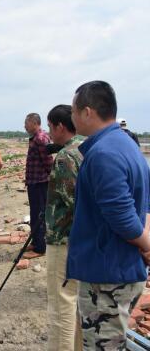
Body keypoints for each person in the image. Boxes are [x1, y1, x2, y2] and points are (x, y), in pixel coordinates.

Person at [68, 81, 150, 349]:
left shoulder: (104, 153)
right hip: (120, 267)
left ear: (87, 112)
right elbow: (144, 203)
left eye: (73, 110)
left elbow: (121, 213)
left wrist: (147, 244)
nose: (71, 116)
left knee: (104, 345)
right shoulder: (125, 144)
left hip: (107, 275)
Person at [44, 105, 83, 351]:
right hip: (80, 241)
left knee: (61, 305)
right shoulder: (85, 149)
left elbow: (73, 201)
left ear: (60, 126)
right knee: (76, 303)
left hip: (63, 238)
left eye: (49, 127)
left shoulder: (66, 156)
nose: (49, 133)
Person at [23, 113, 53, 259]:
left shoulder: (41, 139)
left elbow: (48, 162)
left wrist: (47, 178)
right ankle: (36, 242)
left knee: (39, 215)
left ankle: (40, 248)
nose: (24, 126)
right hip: (34, 182)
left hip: (40, 183)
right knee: (34, 214)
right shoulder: (35, 138)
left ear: (35, 123)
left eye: (26, 123)